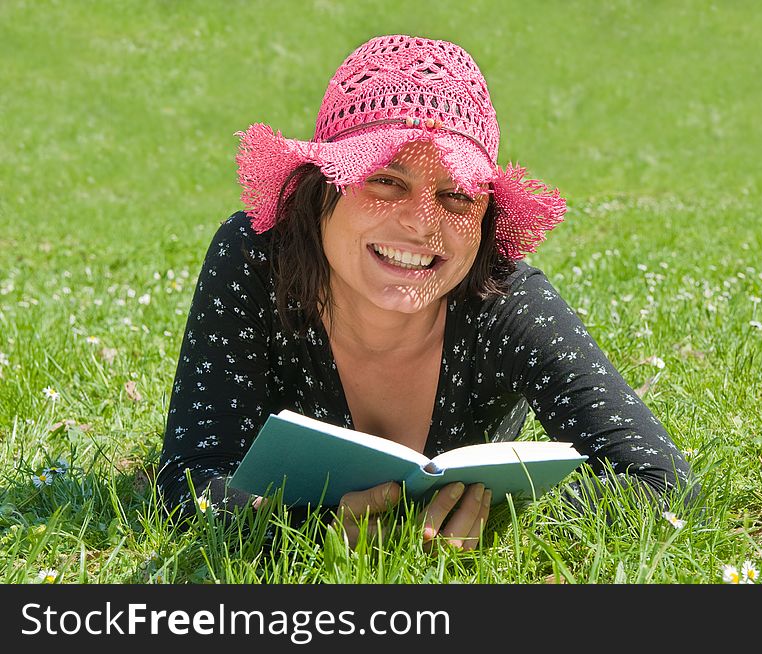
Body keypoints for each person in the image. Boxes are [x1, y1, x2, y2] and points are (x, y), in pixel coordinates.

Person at [158, 34, 697, 551]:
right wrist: (310, 532)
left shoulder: (505, 299)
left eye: (456, 195)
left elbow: (658, 476)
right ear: (325, 184)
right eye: (386, 180)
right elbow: (190, 480)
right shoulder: (256, 259)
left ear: (485, 219)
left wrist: (507, 525)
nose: (421, 224)